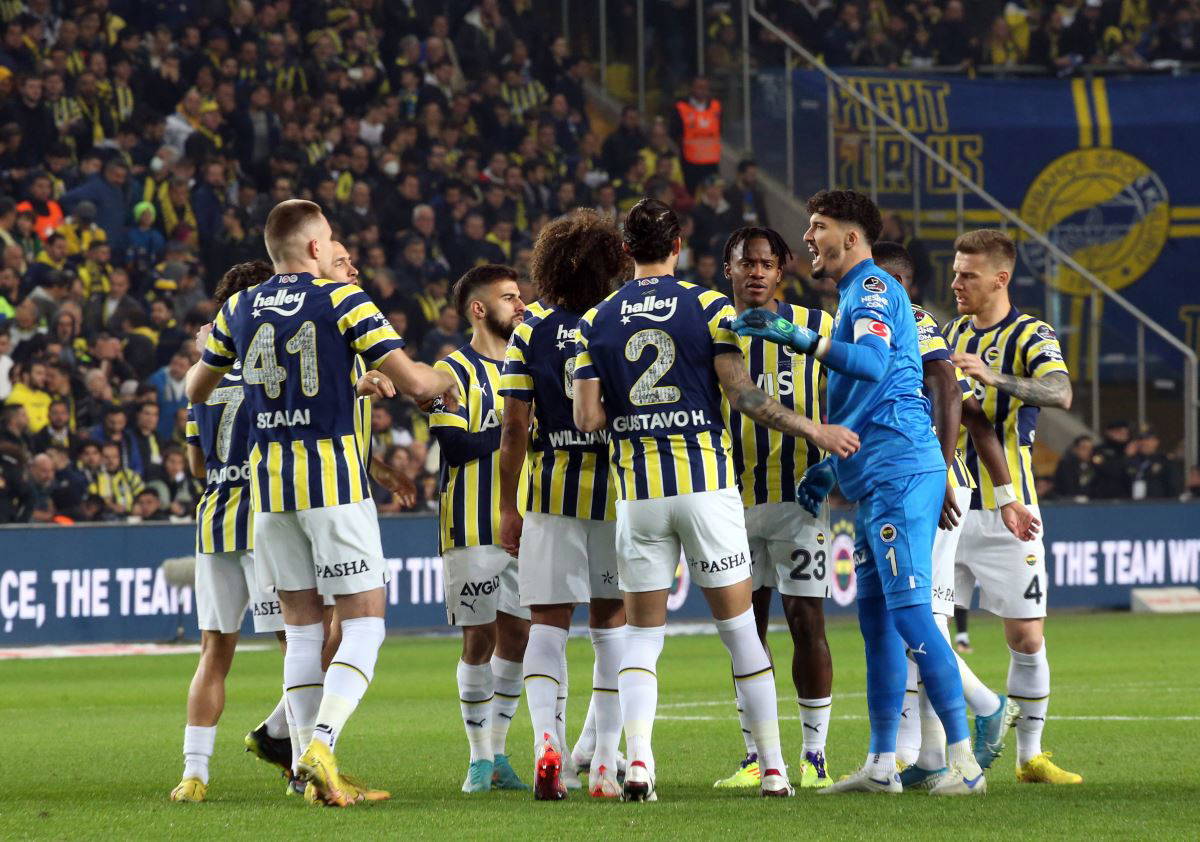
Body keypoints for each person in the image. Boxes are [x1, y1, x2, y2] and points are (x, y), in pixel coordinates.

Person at [571, 198, 859, 801]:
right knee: (741, 632)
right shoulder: (708, 306)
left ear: (625, 250)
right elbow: (743, 395)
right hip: (706, 486)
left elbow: (589, 419)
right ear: (678, 246)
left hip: (639, 494)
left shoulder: (594, 319)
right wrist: (811, 429)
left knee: (641, 639)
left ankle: (639, 764)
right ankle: (774, 770)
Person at [187, 200, 454, 807]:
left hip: (269, 491)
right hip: (332, 482)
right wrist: (446, 376)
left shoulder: (238, 307)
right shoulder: (342, 300)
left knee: (303, 633)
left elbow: (196, 388)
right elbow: (415, 383)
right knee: (364, 623)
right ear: (314, 247)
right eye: (329, 239)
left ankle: (311, 779)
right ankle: (321, 746)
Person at [734, 189, 983, 796]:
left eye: (817, 226)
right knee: (875, 621)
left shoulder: (871, 288)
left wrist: (795, 336)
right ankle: (880, 763)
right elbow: (872, 390)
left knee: (910, 612)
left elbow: (870, 364)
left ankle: (965, 762)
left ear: (850, 237)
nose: (808, 237)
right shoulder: (853, 293)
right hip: (873, 473)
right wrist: (831, 465)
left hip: (900, 469)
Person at [874, 240, 1040, 788]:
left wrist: (945, 475)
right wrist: (1003, 493)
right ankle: (931, 757)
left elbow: (962, 405)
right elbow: (974, 417)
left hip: (926, 486)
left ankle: (985, 710)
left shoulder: (912, 323)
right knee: (921, 625)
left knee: (918, 622)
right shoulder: (898, 329)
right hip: (920, 484)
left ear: (896, 284)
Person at [496, 211, 629, 800]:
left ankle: (547, 745)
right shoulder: (617, 322)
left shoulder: (529, 332)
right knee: (612, 625)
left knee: (547, 625)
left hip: (549, 492)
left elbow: (512, 429)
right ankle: (604, 763)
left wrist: (508, 506)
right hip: (617, 495)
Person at [944, 228, 1082, 785]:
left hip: (1012, 507)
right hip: (950, 503)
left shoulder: (1031, 333)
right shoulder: (950, 333)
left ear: (1001, 278)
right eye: (955, 273)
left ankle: (1030, 756)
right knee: (922, 632)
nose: (957, 284)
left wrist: (993, 375)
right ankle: (926, 749)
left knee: (1026, 638)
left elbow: (1060, 392)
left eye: (968, 275)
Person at [712, 226, 836, 791]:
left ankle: (814, 755)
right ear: (729, 270)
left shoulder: (815, 327)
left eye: (767, 264)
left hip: (798, 497)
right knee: (747, 627)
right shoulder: (712, 328)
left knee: (807, 620)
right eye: (747, 263)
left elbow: (852, 392)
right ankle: (756, 755)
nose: (757, 272)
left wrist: (836, 461)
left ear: (781, 271)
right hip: (727, 501)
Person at [171, 260, 295, 804]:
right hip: (267, 520)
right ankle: (299, 759)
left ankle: (194, 774)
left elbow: (197, 462)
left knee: (213, 651)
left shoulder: (204, 374)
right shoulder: (275, 366)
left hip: (215, 520)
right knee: (300, 646)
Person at [427, 264, 531, 795]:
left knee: (519, 636)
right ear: (478, 308)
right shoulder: (451, 370)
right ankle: (477, 758)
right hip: (470, 524)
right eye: (509, 297)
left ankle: (500, 752)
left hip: (528, 524)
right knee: (478, 637)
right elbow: (455, 445)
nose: (520, 304)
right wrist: (516, 430)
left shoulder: (528, 365)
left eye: (519, 296)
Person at [671, 76, 722, 193]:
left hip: (711, 162)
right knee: (691, 194)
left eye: (705, 88)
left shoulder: (716, 107)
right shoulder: (681, 107)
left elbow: (719, 129)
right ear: (692, 88)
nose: (702, 91)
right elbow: (674, 132)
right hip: (690, 162)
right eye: (699, 87)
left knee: (713, 192)